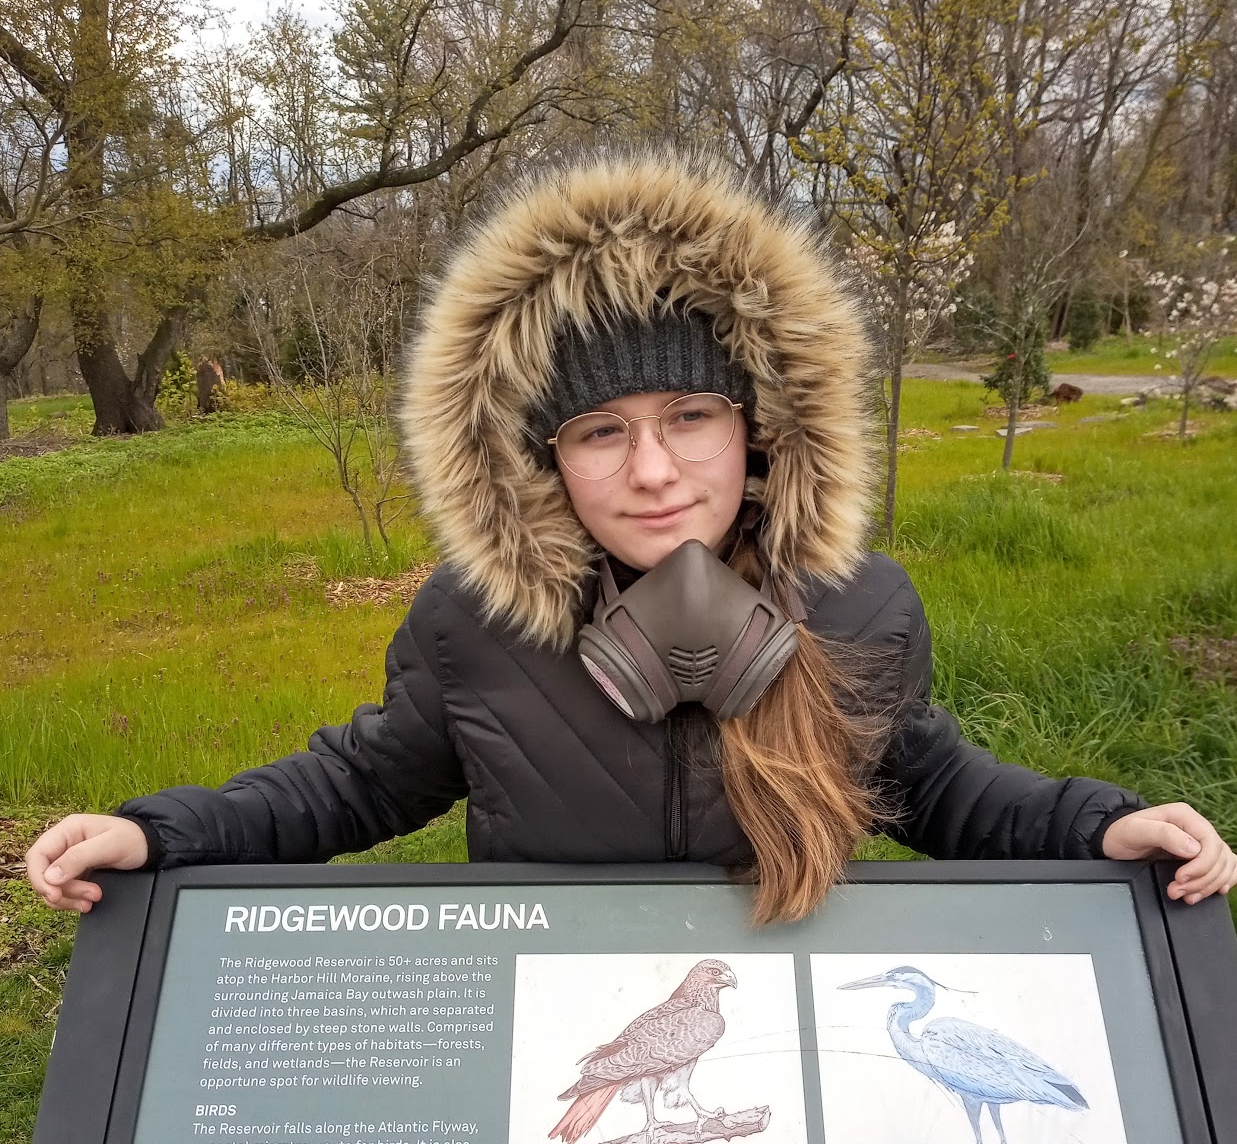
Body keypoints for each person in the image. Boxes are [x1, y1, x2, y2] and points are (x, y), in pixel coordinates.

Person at [25, 152, 1237, 924]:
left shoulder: (859, 603)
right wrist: (158, 832)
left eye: (689, 416)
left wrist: (1097, 823)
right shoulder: (474, 622)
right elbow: (359, 782)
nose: (651, 471)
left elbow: (927, 782)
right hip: (549, 1035)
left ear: (758, 429)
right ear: (540, 458)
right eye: (599, 431)